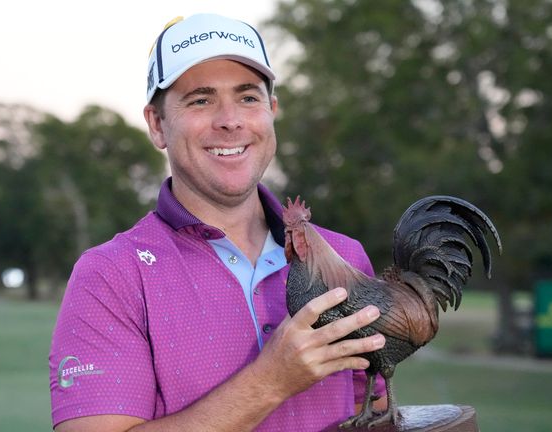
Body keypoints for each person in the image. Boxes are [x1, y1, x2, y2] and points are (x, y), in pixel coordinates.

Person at [49, 13, 387, 432]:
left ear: (271, 111)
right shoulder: (112, 274)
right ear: (157, 125)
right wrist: (270, 382)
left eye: (248, 97)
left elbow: (374, 413)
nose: (230, 120)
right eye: (200, 100)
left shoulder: (345, 256)